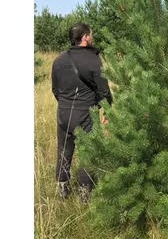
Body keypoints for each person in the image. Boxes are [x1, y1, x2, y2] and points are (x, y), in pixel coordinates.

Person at [51, 23, 112, 202]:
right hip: (86, 114)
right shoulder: (93, 60)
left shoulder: (59, 60)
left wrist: (66, 104)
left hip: (63, 113)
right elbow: (104, 92)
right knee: (88, 152)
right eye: (90, 34)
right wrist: (106, 109)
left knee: (64, 150)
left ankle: (62, 190)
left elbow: (55, 90)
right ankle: (84, 195)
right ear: (85, 37)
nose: (92, 37)